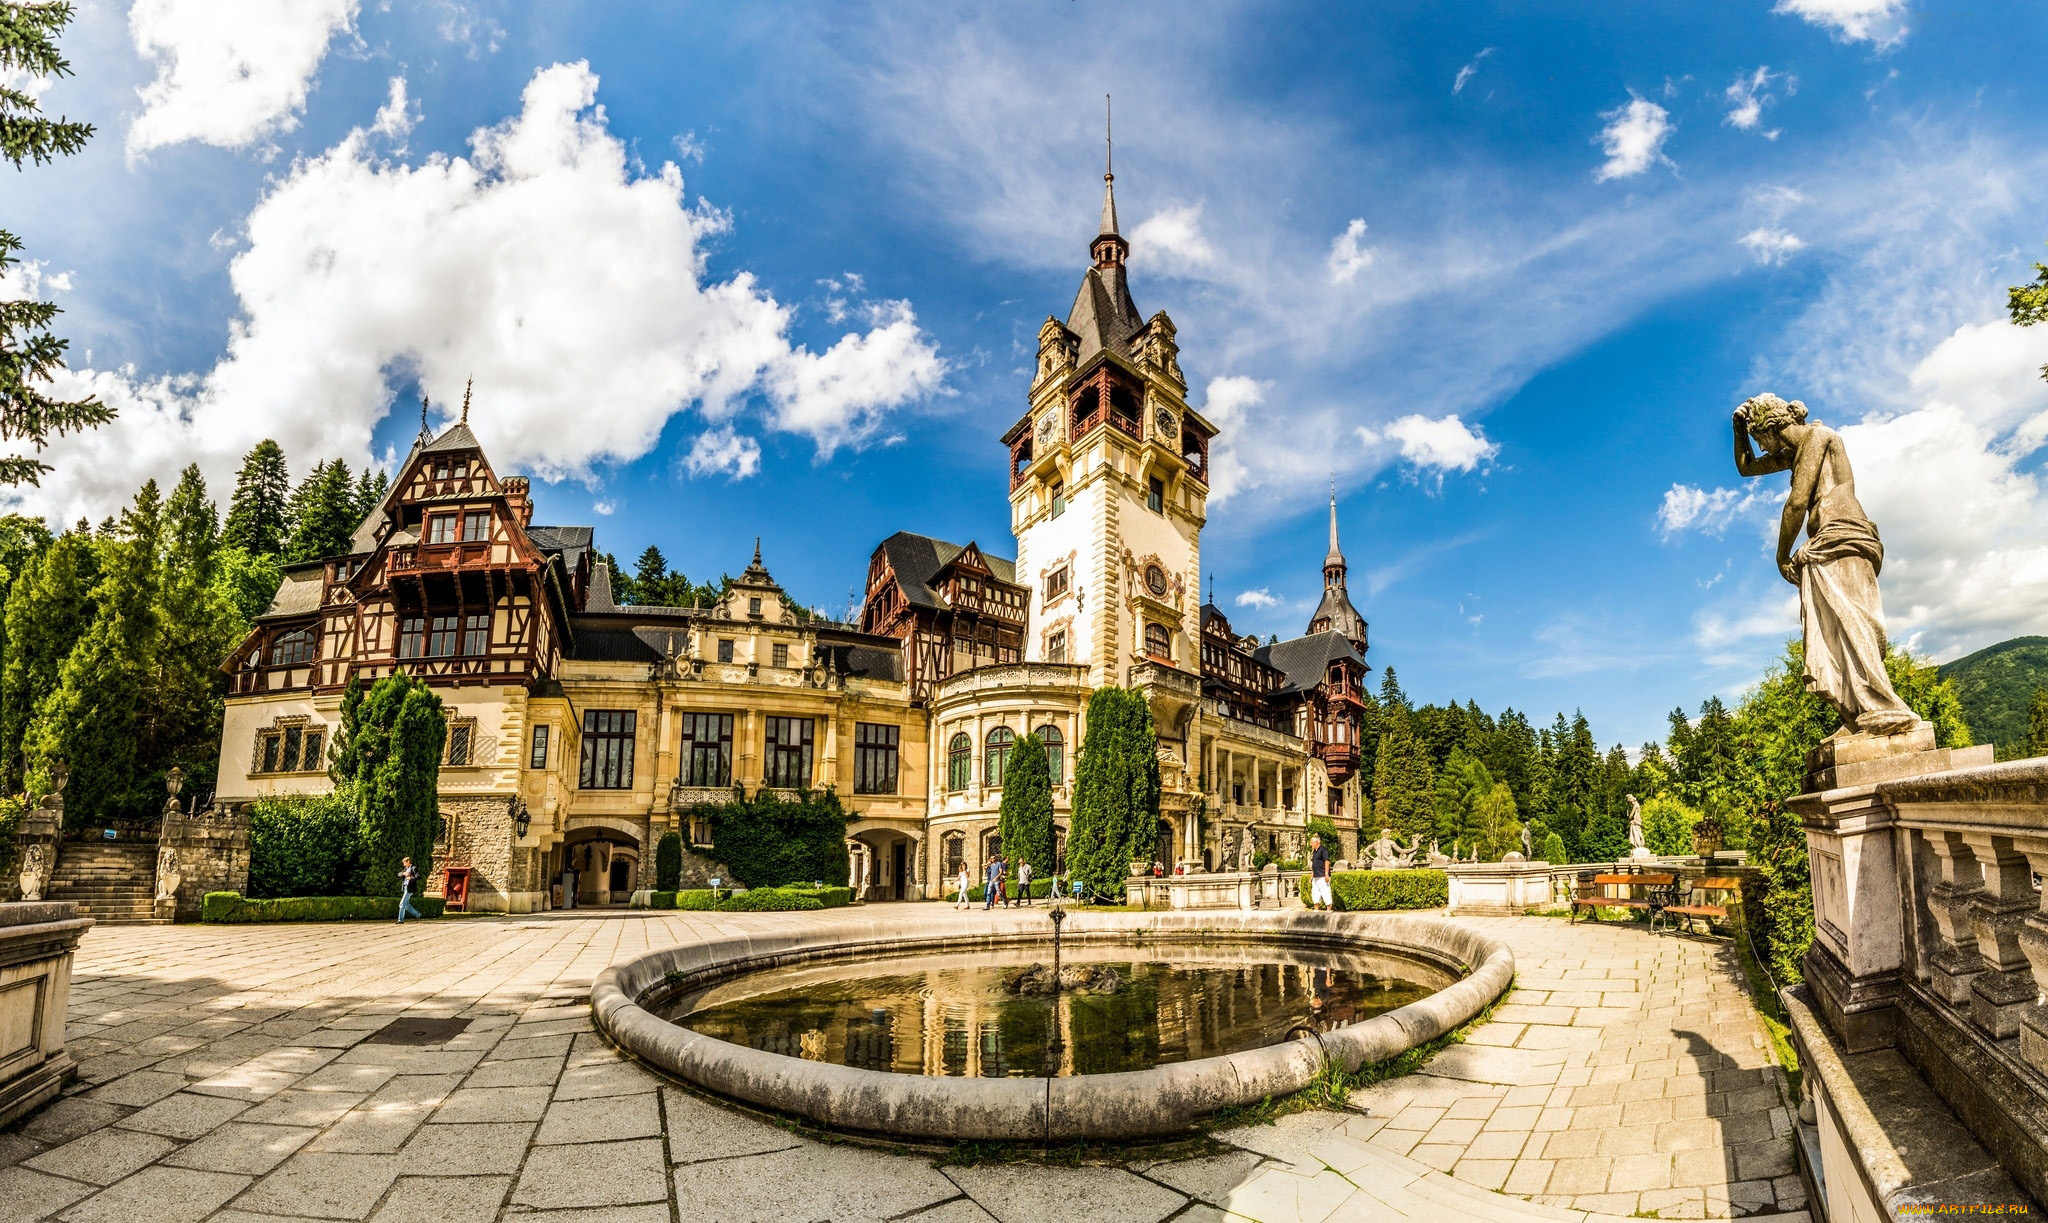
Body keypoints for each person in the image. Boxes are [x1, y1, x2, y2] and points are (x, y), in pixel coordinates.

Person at [1308, 834, 1333, 911]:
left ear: (1317, 842)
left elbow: (1327, 861)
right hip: (1316, 876)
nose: (1310, 844)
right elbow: (1314, 865)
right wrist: (1312, 876)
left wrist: (1326, 874)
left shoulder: (1323, 850)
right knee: (1315, 894)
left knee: (1326, 893)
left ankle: (1328, 911)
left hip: (1322, 876)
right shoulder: (1314, 852)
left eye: (1312, 842)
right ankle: (1316, 911)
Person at [397, 856, 423, 924]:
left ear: (408, 862)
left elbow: (418, 876)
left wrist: (411, 878)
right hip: (405, 887)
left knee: (402, 904)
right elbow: (399, 874)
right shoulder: (405, 869)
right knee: (406, 905)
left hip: (410, 888)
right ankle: (418, 914)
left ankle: (400, 920)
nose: (403, 864)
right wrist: (403, 873)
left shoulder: (413, 868)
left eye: (404, 863)